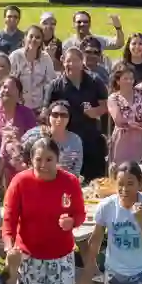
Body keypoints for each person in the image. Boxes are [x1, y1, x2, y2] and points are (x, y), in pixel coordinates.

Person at [2, 138, 86, 284]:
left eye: (49, 159)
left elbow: (80, 213)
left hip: (61, 256)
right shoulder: (20, 182)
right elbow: (8, 220)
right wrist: (10, 247)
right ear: (31, 160)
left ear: (57, 160)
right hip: (29, 257)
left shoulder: (69, 182)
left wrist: (72, 222)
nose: (43, 164)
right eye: (38, 159)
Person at [45, 47, 109, 182]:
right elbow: (45, 112)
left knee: (96, 181)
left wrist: (94, 112)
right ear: (62, 62)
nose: (71, 64)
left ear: (82, 62)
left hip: (91, 139)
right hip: (67, 144)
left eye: (75, 61)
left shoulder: (94, 81)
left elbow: (105, 105)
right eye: (68, 61)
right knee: (68, 181)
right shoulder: (55, 86)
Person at [108, 61, 142, 165]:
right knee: (121, 170)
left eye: (131, 78)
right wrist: (136, 125)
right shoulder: (114, 98)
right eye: (125, 78)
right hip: (122, 140)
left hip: (140, 139)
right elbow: (118, 120)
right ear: (118, 81)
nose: (129, 81)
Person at [10, 26, 58, 113]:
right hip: (18, 107)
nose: (34, 40)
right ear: (25, 38)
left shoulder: (46, 58)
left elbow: (51, 83)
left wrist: (45, 107)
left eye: (38, 37)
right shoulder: (15, 56)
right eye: (31, 36)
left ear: (41, 41)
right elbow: (9, 82)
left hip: (39, 108)